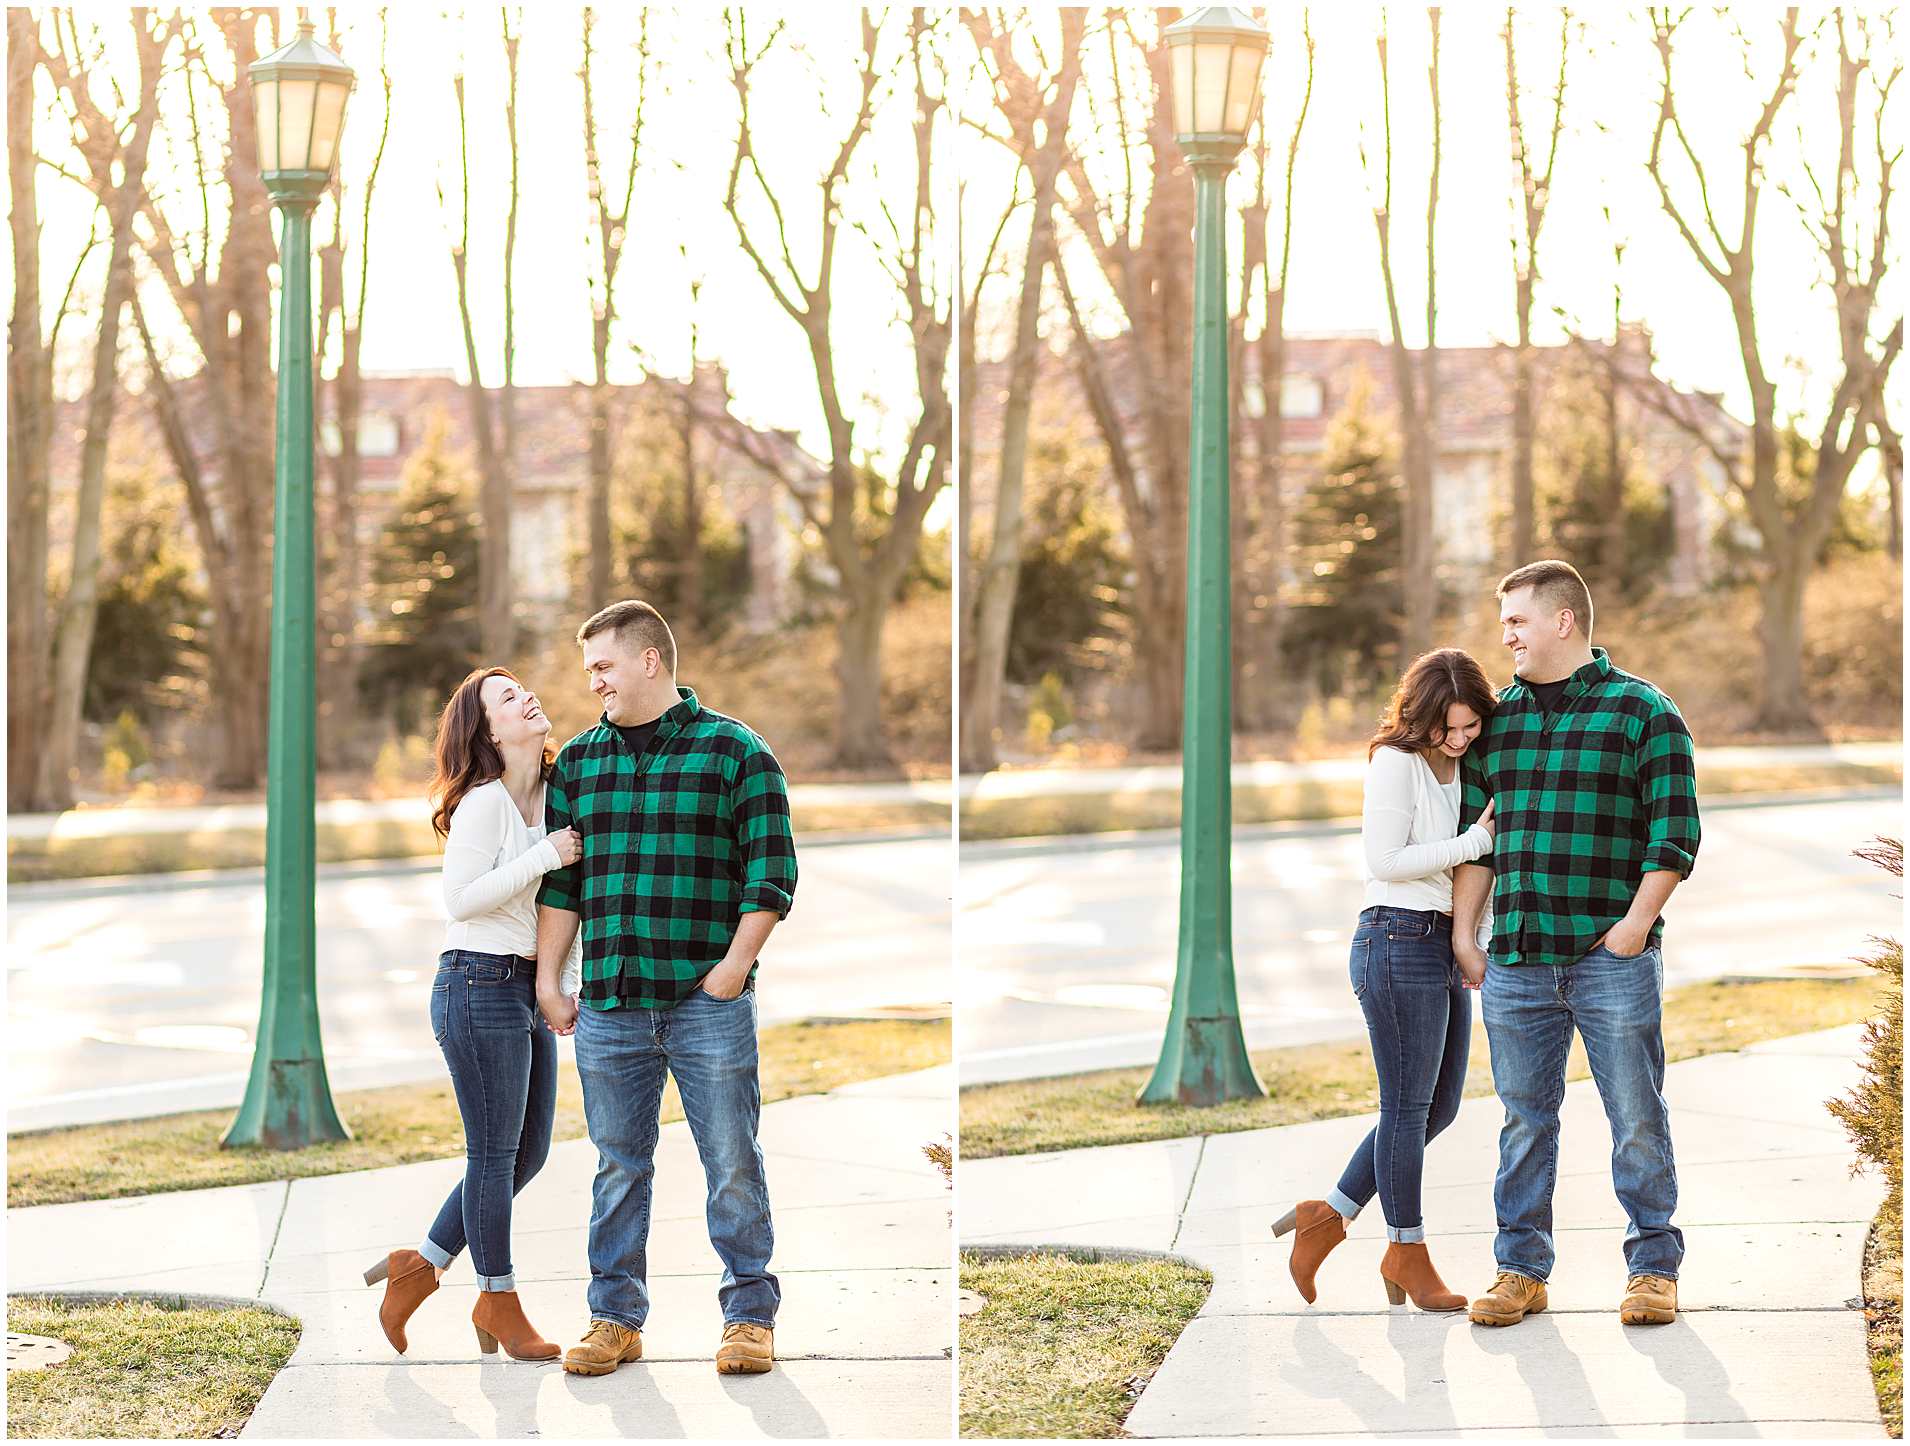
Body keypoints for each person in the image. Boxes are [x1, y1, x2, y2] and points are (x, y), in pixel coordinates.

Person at [533, 600, 797, 1378]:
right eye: (589, 672)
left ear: (651, 661)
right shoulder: (579, 764)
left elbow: (772, 874)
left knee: (731, 1158)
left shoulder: (736, 752)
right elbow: (564, 886)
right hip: (612, 1003)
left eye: (604, 667)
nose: (594, 685)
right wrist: (552, 980)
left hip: (705, 1002)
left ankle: (749, 1315)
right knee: (619, 1165)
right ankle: (615, 1316)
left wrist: (733, 969)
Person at [1451, 559, 1700, 1329]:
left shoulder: (1643, 712)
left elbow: (1675, 836)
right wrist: (1467, 934)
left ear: (1564, 620)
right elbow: (1479, 843)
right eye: (1504, 624)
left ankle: (1653, 1268)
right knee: (1525, 1119)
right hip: (1519, 957)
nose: (1506, 636)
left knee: (1636, 1114)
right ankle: (1520, 1268)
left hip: (1609, 957)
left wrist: (1632, 930)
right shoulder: (1500, 722)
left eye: (1517, 621)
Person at [363, 667, 583, 1361]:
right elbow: (460, 898)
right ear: (488, 731)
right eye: (507, 697)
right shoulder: (485, 803)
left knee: (529, 1152)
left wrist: (559, 981)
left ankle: (419, 1266)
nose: (527, 697)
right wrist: (545, 854)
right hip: (474, 984)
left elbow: (558, 905)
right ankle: (498, 1298)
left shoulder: (549, 795)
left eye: (523, 687)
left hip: (521, 985)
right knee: (492, 1155)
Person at [1273, 649, 1498, 1311]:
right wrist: (1473, 843)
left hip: (1437, 943)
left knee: (1441, 1107)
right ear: (1419, 714)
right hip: (1395, 940)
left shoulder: (1466, 765)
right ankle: (1406, 1250)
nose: (1457, 739)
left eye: (1469, 727)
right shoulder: (1395, 762)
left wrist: (1469, 940)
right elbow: (1386, 860)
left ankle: (1327, 1216)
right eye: (1445, 728)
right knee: (1404, 1110)